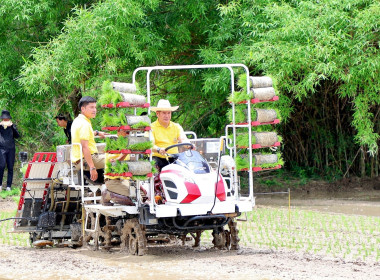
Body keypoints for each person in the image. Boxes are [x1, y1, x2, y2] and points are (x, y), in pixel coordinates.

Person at [71, 96, 106, 182]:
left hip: (78, 160)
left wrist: (97, 133)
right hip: (86, 160)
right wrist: (92, 167)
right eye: (91, 107)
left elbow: (86, 135)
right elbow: (84, 147)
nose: (94, 110)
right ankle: (115, 187)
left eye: (95, 107)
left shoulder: (77, 120)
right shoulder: (84, 124)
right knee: (117, 159)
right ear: (83, 109)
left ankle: (104, 188)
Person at [151, 99, 188, 171]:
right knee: (154, 164)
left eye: (169, 113)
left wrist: (189, 145)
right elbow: (150, 145)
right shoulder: (151, 128)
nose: (167, 116)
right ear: (157, 114)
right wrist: (158, 149)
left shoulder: (176, 126)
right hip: (158, 158)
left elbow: (183, 139)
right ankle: (156, 181)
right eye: (164, 113)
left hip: (174, 158)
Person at [0, 110, 20, 191]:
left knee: (10, 167)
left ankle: (8, 186)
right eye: (4, 119)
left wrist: (12, 127)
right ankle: (0, 185)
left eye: (7, 119)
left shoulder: (13, 126)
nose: (5, 120)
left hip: (11, 149)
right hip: (1, 148)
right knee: (1, 166)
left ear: (9, 119)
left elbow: (17, 136)